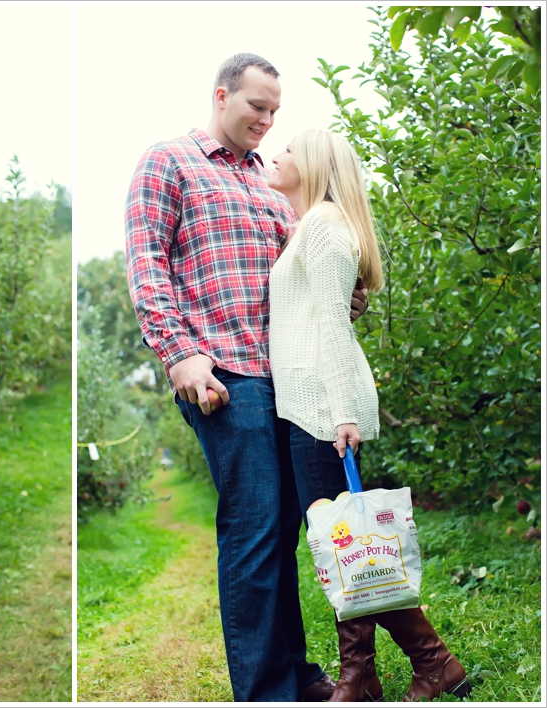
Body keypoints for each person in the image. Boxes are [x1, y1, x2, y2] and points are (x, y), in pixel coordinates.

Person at [125, 53, 368, 701]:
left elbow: (306, 275)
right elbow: (146, 262)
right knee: (255, 525)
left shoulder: (272, 181)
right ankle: (266, 691)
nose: (265, 119)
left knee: (287, 528)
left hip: (290, 378)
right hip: (223, 372)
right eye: (255, 106)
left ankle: (297, 672)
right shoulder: (170, 161)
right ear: (221, 95)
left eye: (274, 111)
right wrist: (178, 352)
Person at [267, 129, 471, 701]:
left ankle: (415, 668)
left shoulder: (327, 227)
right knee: (344, 545)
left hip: (322, 411)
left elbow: (334, 324)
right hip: (312, 407)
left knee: (348, 545)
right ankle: (374, 675)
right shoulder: (310, 226)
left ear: (310, 164)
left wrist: (343, 415)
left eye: (286, 149)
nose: (275, 155)